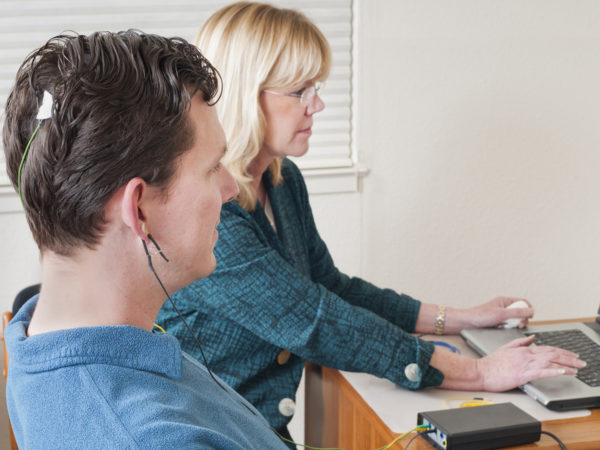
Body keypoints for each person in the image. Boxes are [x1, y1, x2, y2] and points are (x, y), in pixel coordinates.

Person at [157, 1, 585, 441]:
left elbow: (332, 287)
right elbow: (314, 319)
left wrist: (461, 319)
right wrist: (477, 372)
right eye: (300, 90)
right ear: (250, 92)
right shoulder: (211, 212)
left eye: (316, 87)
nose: (318, 104)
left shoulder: (281, 181)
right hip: (211, 433)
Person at [2, 30, 289, 449]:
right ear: (139, 209)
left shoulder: (39, 327)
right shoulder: (154, 438)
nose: (230, 188)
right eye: (212, 168)